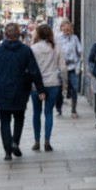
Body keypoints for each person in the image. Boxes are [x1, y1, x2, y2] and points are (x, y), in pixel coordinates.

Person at [0, 21, 45, 161]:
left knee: (4, 121)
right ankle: (15, 143)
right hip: (20, 90)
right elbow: (35, 71)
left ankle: (7, 151)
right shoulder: (25, 50)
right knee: (19, 118)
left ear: (5, 34)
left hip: (2, 90)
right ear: (18, 34)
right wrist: (40, 90)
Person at [29, 22, 67, 152]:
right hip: (53, 83)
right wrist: (65, 85)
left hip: (36, 85)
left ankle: (36, 141)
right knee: (49, 112)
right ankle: (47, 141)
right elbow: (63, 68)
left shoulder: (33, 49)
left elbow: (30, 69)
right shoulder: (56, 49)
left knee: (36, 113)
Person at [58, 19, 82, 118]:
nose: (66, 30)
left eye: (68, 28)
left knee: (74, 88)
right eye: (64, 27)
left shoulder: (74, 38)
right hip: (61, 67)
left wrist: (78, 66)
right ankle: (58, 109)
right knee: (59, 89)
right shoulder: (58, 39)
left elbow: (79, 52)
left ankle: (73, 110)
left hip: (72, 66)